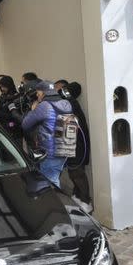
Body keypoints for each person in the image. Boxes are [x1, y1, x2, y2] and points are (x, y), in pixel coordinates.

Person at [20, 80, 73, 187]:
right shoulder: (66, 103)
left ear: (43, 93)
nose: (37, 96)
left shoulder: (44, 106)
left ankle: (56, 202)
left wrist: (33, 109)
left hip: (50, 152)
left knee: (51, 181)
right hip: (65, 149)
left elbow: (25, 124)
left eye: (38, 93)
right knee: (54, 175)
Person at [55, 80, 93, 213]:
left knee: (78, 174)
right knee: (73, 173)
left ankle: (86, 201)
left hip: (76, 146)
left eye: (61, 90)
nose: (57, 93)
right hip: (71, 144)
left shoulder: (70, 103)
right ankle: (78, 197)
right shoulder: (70, 104)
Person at [0, 75, 25, 147]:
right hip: (4, 130)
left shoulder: (17, 98)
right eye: (1, 87)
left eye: (4, 87)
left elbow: (14, 117)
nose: (2, 89)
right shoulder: (2, 97)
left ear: (9, 85)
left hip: (15, 132)